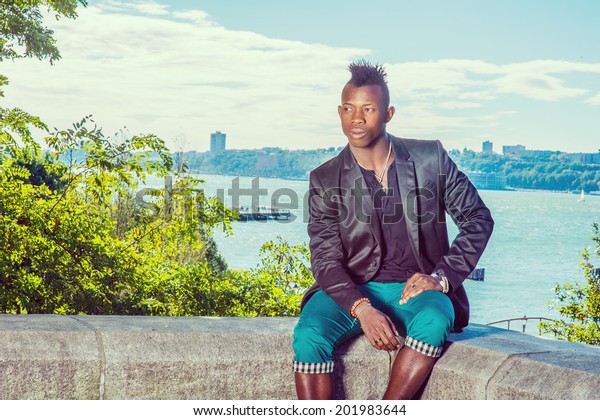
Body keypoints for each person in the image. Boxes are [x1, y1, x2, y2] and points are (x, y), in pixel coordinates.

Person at [292, 60, 494, 400]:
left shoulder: (430, 158)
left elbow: (478, 218)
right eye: (348, 109)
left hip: (414, 290)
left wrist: (441, 278)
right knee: (308, 336)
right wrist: (362, 309)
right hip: (349, 290)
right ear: (339, 112)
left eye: (368, 109)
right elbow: (325, 261)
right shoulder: (325, 179)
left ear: (388, 113)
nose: (357, 118)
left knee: (434, 319)